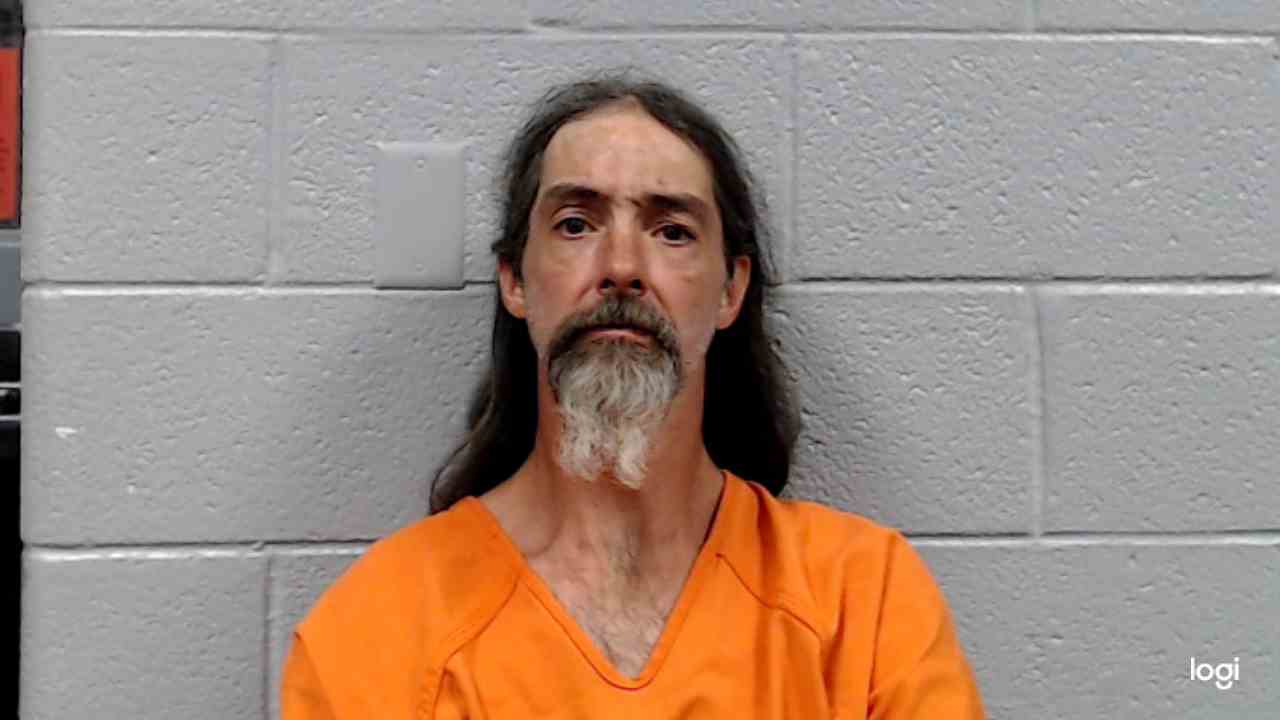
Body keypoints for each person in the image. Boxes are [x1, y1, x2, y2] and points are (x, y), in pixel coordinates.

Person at [280, 71, 986, 719]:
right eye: (576, 224)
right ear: (516, 281)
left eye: (672, 232)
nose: (621, 267)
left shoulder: (864, 603)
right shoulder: (379, 628)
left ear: (731, 290)